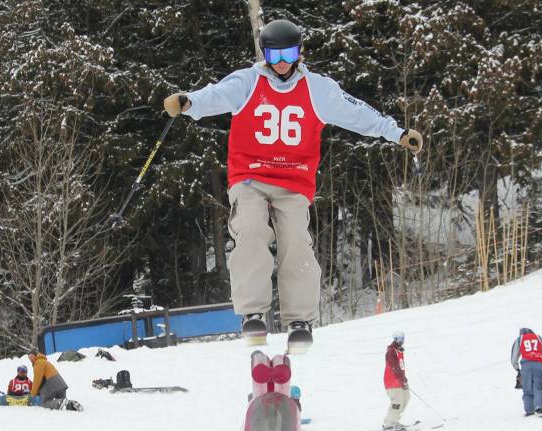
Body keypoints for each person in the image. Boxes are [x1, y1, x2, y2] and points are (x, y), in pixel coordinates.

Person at [163, 19, 423, 353]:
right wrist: (189, 102)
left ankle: (299, 320)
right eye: (275, 55)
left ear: (300, 53)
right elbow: (216, 95)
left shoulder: (317, 88)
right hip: (250, 177)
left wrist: (397, 133)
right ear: (265, 55)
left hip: (294, 180)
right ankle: (253, 313)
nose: (283, 62)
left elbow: (357, 113)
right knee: (251, 229)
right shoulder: (248, 81)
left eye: (289, 54)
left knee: (297, 241)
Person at [511, 327, 542, 417]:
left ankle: (530, 410)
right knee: (538, 387)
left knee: (527, 389)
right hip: (538, 364)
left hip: (526, 365)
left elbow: (514, 356)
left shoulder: (520, 339)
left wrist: (517, 368)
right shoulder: (539, 338)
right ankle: (540, 408)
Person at [382, 331, 409, 431]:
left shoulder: (399, 350)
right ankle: (389, 424)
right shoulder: (391, 351)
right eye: (400, 338)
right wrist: (402, 379)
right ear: (395, 339)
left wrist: (403, 379)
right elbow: (394, 367)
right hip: (392, 380)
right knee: (397, 401)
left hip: (400, 380)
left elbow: (400, 367)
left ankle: (393, 420)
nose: (402, 341)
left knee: (406, 398)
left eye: (403, 338)